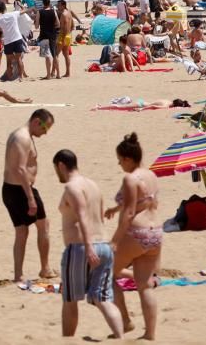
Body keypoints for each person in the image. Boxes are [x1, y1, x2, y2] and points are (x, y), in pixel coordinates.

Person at [53, 149, 123, 339]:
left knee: (70, 299)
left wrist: (88, 246)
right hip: (103, 245)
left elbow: (82, 215)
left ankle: (67, 341)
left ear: (61, 165)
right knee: (104, 299)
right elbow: (99, 216)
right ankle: (121, 338)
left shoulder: (72, 187)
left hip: (81, 248)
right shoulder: (93, 185)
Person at [104, 133, 161, 340]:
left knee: (107, 274)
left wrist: (114, 241)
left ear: (128, 159)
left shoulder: (130, 178)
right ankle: (150, 334)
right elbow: (143, 200)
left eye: (120, 160)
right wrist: (114, 207)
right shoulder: (151, 175)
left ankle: (126, 322)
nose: (119, 164)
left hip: (137, 231)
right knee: (144, 286)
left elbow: (129, 213)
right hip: (155, 232)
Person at [3, 109, 56, 283]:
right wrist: (30, 198)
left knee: (22, 231)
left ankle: (19, 275)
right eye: (45, 128)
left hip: (12, 189)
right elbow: (20, 169)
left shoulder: (20, 135)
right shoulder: (22, 138)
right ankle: (45, 268)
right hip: (20, 190)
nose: (45, 133)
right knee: (43, 225)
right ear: (36, 121)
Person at [36, 0, 59, 79]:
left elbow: (36, 26)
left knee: (47, 56)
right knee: (54, 55)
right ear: (49, 3)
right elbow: (58, 24)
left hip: (44, 35)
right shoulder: (54, 11)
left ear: (43, 3)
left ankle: (48, 75)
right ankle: (58, 74)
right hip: (52, 35)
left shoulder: (40, 12)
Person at [56, 0, 75, 78]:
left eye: (59, 5)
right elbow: (73, 25)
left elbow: (66, 25)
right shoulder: (69, 13)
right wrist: (68, 34)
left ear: (63, 5)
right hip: (68, 35)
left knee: (56, 55)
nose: (58, 6)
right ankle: (68, 73)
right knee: (66, 55)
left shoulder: (64, 14)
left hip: (63, 35)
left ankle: (56, 73)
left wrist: (63, 37)